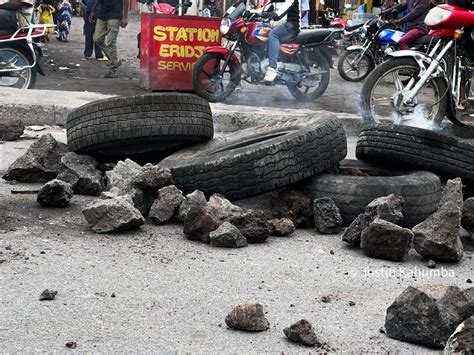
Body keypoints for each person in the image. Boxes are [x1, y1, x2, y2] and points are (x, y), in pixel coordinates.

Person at [259, 0, 300, 82]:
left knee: (273, 34)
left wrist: (264, 14)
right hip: (278, 25)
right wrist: (249, 12)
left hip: (291, 26)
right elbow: (263, 9)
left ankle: (272, 68)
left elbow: (278, 15)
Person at [89, 0, 129, 78]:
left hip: (115, 15)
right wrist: (92, 11)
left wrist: (125, 17)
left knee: (111, 41)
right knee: (97, 39)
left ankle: (113, 70)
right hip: (103, 14)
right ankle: (114, 61)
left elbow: (126, 1)